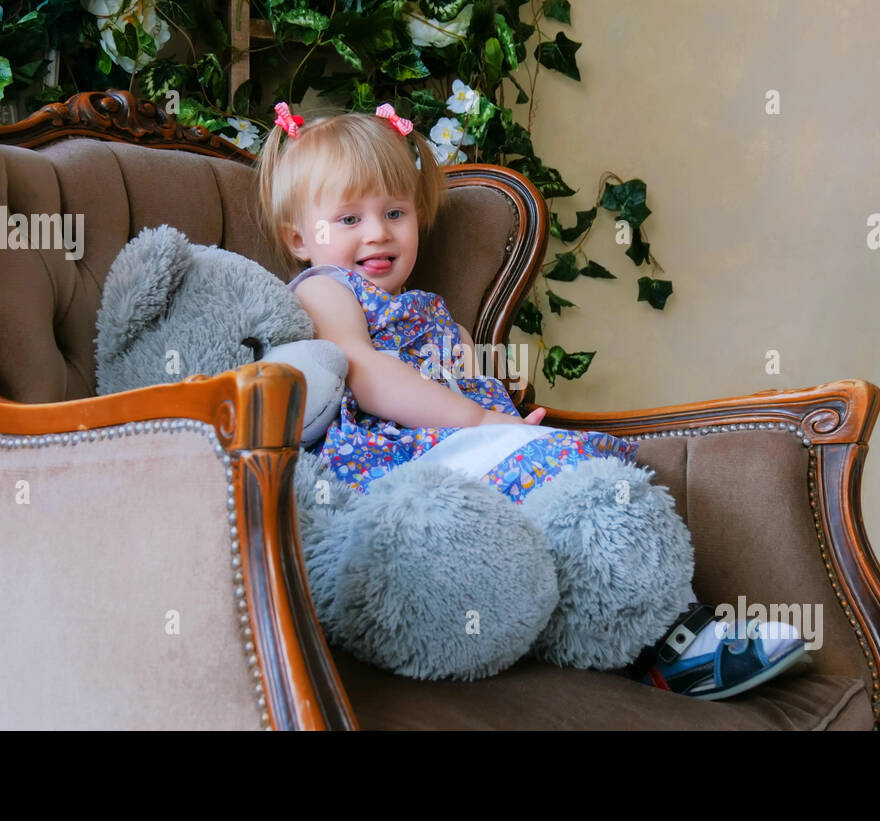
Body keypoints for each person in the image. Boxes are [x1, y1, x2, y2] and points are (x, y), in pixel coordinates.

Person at [255, 100, 811, 699]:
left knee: (588, 490)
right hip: (396, 470)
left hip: (463, 446)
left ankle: (663, 637)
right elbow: (361, 373)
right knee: (550, 482)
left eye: (394, 212)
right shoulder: (325, 290)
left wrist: (509, 419)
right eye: (347, 219)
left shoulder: (435, 316)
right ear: (299, 238)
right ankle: (675, 641)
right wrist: (480, 421)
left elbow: (476, 390)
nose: (377, 233)